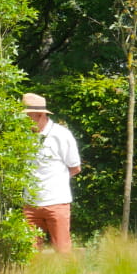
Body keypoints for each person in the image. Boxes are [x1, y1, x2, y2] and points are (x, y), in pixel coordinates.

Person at [22, 93, 82, 253]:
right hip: (30, 204)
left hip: (57, 202)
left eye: (27, 116)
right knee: (29, 253)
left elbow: (75, 167)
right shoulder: (23, 136)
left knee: (63, 251)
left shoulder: (61, 135)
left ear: (40, 115)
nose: (23, 120)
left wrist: (55, 182)